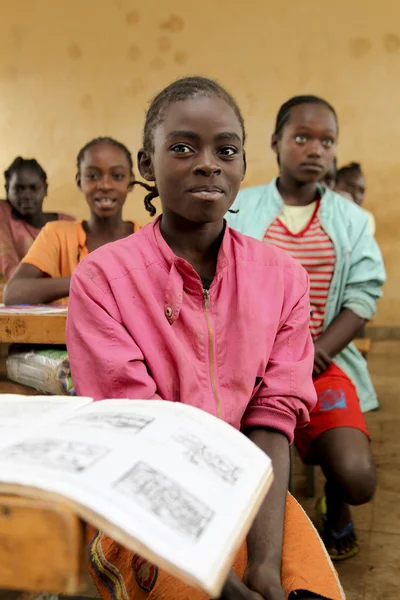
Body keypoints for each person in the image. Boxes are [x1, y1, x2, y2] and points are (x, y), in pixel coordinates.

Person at [66, 78, 344, 600]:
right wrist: (217, 578)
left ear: (242, 164)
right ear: (147, 165)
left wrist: (263, 562)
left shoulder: (281, 278)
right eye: (182, 147)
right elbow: (138, 436)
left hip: (249, 488)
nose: (208, 163)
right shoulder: (104, 279)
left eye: (226, 149)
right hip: (141, 497)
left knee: (305, 588)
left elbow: (272, 420)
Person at [227, 95, 385, 562]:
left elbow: (361, 297)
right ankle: (256, 544)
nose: (315, 149)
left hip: (323, 360)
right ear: (276, 143)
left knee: (357, 477)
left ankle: (336, 508)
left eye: (326, 141)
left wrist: (314, 352)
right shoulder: (241, 207)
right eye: (302, 138)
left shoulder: (352, 220)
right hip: (251, 366)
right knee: (253, 467)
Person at [4, 137, 144, 306]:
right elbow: (14, 292)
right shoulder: (57, 234)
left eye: (117, 176)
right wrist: (88, 281)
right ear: (79, 181)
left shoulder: (148, 240)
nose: (105, 185)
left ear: (130, 182)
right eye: (92, 176)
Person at [0, 157, 74, 280]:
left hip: (63, 295)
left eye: (34, 188)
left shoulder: (67, 224)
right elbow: (9, 265)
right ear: (7, 190)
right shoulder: (3, 214)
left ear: (45, 189)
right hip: (19, 294)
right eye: (19, 189)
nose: (27, 196)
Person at [335, 162, 376, 234]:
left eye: (361, 191)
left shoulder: (365, 219)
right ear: (333, 186)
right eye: (349, 188)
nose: (356, 195)